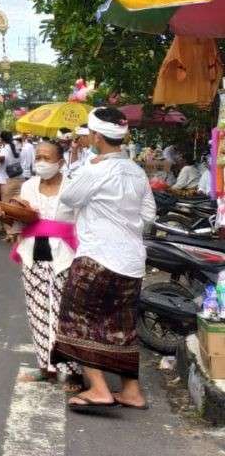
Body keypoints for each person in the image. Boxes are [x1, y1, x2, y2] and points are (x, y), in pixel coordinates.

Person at [52, 107, 156, 413]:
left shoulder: (94, 170)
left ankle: (98, 389)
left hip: (96, 257)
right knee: (121, 324)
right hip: (133, 261)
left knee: (75, 319)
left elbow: (68, 199)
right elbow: (149, 216)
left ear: (96, 136)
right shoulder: (136, 171)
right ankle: (131, 391)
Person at [0, 139, 80, 383]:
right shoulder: (29, 186)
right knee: (38, 311)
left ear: (61, 162)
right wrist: (6, 216)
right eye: (38, 158)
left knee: (65, 313)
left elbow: (84, 223)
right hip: (33, 253)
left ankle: (71, 371)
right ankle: (46, 367)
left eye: (47, 158)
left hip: (65, 255)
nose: (41, 162)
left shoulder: (73, 188)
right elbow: (21, 221)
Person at [0, 131, 26, 244]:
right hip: (20, 179)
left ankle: (10, 233)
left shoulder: (4, 150)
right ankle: (17, 232)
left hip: (7, 180)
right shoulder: (17, 148)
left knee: (6, 208)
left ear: (2, 139)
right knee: (17, 208)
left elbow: (0, 162)